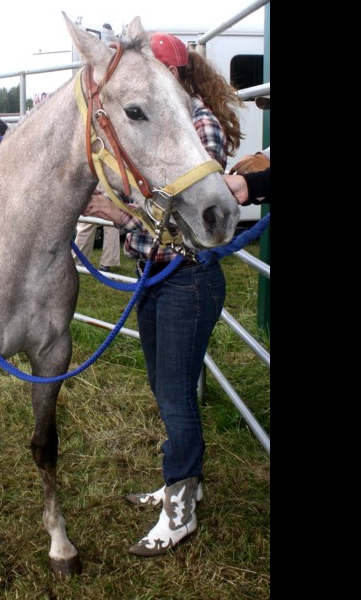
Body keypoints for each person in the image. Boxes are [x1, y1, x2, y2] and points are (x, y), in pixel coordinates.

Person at [82, 32, 244, 556]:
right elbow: (154, 202)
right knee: (163, 385)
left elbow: (188, 214)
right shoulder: (171, 121)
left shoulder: (198, 124)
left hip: (186, 278)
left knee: (176, 396)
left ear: (172, 73)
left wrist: (118, 210)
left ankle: (180, 510)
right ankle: (180, 481)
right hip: (157, 276)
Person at [73, 184, 121, 272]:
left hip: (102, 188)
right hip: (108, 188)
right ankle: (106, 263)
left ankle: (78, 261)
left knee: (88, 224)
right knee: (109, 224)